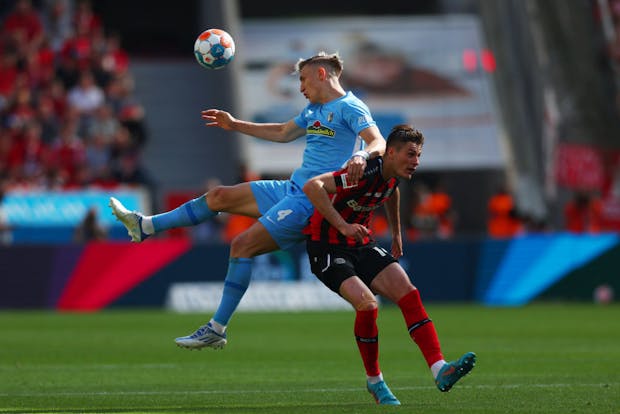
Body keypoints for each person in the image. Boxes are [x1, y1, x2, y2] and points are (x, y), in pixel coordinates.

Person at [108, 52, 386, 349]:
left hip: (311, 199)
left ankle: (217, 327)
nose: (301, 87)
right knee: (219, 196)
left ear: (321, 74)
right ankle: (145, 226)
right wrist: (234, 124)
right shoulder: (313, 110)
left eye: (303, 79)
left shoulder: (350, 106)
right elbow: (282, 132)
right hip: (291, 188)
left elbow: (377, 141)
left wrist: (360, 154)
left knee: (241, 245)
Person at [302, 124, 476, 405]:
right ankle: (375, 382)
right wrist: (344, 226)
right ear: (390, 153)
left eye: (418, 156)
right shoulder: (363, 172)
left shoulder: (393, 176)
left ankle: (439, 368)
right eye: (410, 154)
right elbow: (314, 186)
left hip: (360, 245)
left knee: (408, 291)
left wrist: (396, 231)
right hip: (327, 247)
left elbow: (391, 192)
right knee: (368, 304)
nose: (416, 162)